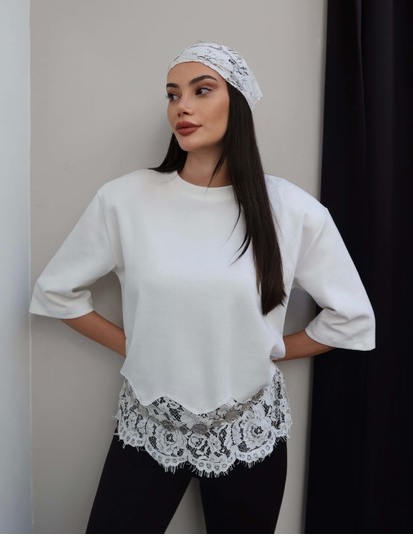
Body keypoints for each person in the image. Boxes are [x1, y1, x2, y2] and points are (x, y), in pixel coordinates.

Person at [30, 42, 375, 534]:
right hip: (150, 425)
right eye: (173, 95)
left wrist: (271, 348)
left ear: (238, 103)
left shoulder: (292, 210)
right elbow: (56, 292)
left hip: (248, 431)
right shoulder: (125, 200)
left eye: (201, 90)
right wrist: (137, 346)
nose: (182, 107)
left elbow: (352, 319)